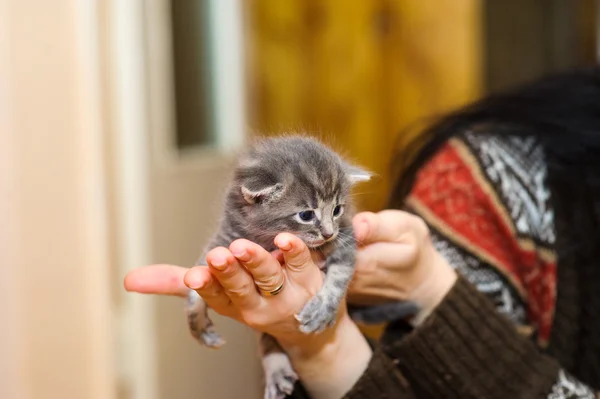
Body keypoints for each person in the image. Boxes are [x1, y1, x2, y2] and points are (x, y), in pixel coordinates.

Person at [124, 66, 600, 398]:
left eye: (337, 211)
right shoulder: (492, 179)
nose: (331, 229)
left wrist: (434, 291)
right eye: (316, 216)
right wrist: (318, 348)